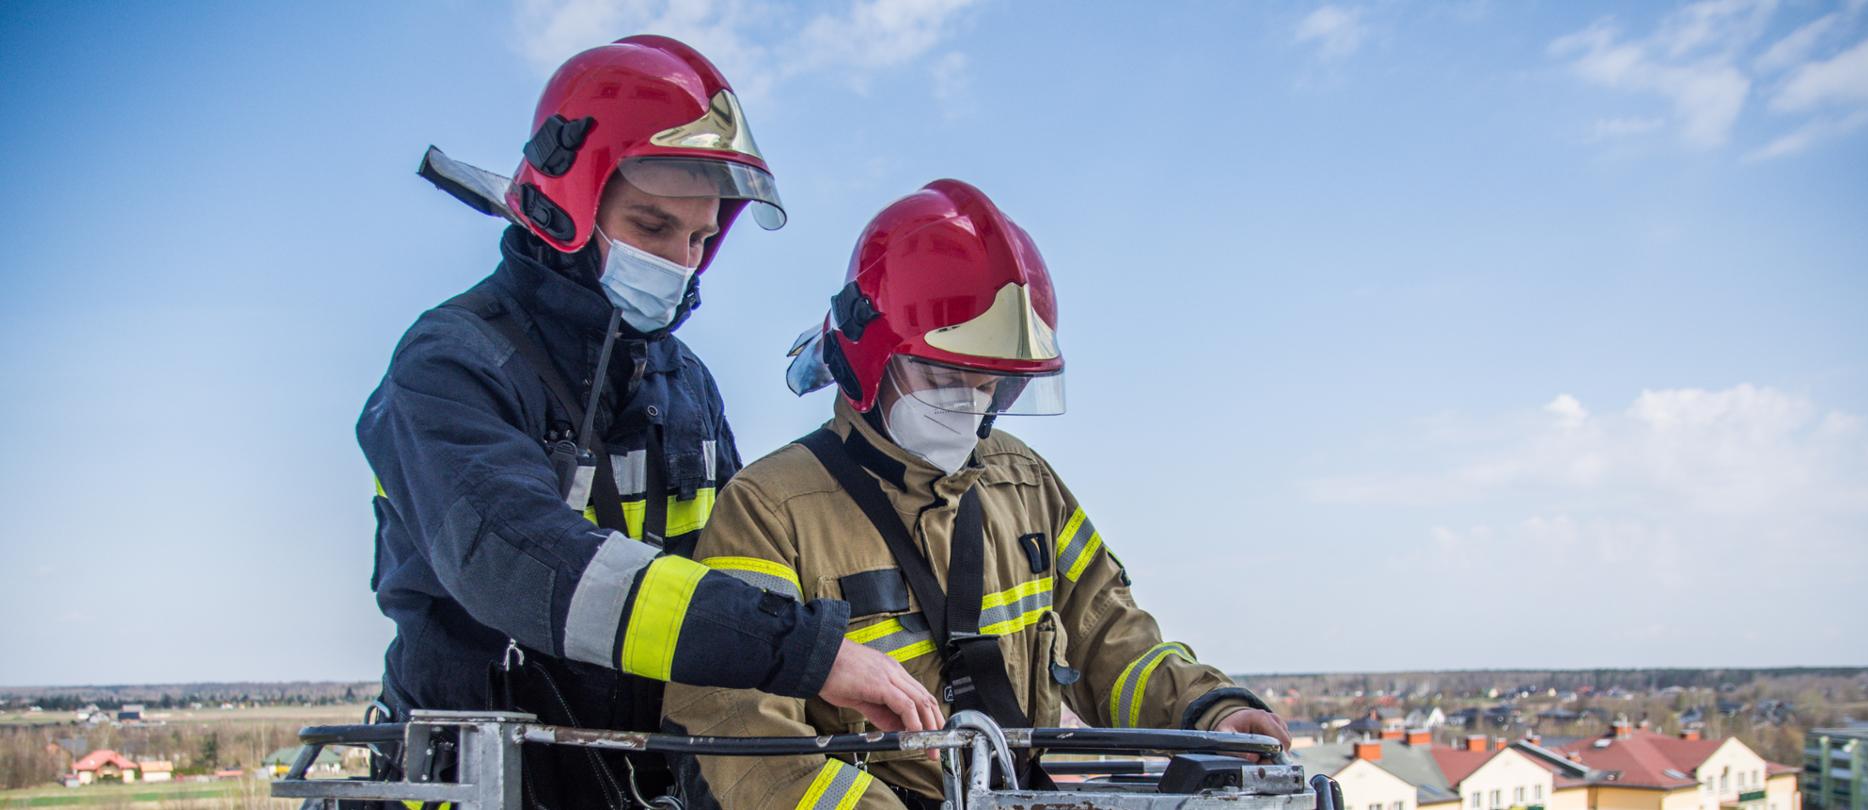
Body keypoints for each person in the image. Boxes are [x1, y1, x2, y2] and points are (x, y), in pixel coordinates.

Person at [357, 36, 939, 807]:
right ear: (568, 205)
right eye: (653, 228)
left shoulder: (685, 382)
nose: (681, 263)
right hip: (490, 778)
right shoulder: (449, 366)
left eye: (700, 240)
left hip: (646, 779)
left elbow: (744, 565)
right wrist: (804, 651)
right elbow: (525, 564)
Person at [662, 179, 1290, 809]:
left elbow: (1108, 633)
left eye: (989, 380)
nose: (967, 401)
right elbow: (738, 739)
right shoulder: (767, 509)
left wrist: (1210, 709)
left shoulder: (1024, 482)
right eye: (941, 373)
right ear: (867, 356)